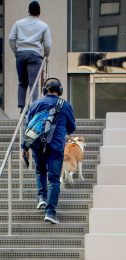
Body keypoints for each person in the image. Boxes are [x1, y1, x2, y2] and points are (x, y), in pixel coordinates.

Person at [22, 78, 76, 224]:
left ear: (45, 90)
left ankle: (41, 198)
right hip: (56, 146)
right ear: (60, 90)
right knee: (54, 180)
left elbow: (28, 126)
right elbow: (72, 128)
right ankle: (50, 213)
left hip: (37, 144)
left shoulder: (36, 104)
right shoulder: (65, 105)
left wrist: (24, 147)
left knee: (40, 171)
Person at [9, 1, 52, 113]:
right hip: (35, 55)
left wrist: (16, 52)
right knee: (34, 84)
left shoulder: (18, 23)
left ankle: (22, 107)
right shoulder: (43, 25)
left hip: (21, 54)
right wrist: (46, 55)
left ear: (28, 11)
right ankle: (34, 106)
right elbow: (47, 44)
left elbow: (11, 39)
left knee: (22, 83)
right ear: (39, 12)